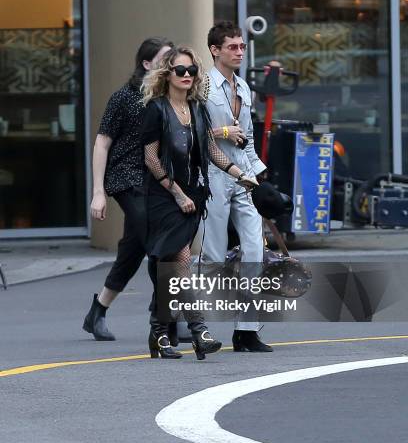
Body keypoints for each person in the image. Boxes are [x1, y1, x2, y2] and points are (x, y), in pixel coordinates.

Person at [141, 45, 255, 360]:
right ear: (167, 74)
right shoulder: (156, 109)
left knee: (170, 269)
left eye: (192, 71)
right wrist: (175, 191)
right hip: (165, 198)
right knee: (181, 263)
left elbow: (210, 151)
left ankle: (158, 334)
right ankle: (199, 332)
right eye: (181, 70)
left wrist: (237, 172)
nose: (187, 75)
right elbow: (150, 157)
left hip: (193, 196)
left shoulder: (197, 108)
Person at [83, 37, 174, 341]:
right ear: (147, 64)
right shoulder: (124, 97)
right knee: (158, 242)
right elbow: (102, 142)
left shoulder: (168, 97)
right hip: (127, 178)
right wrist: (98, 191)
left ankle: (97, 310)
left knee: (134, 249)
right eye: (165, 59)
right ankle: (166, 318)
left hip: (156, 180)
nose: (172, 64)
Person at [202, 20, 278, 352]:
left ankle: (246, 330)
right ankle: (194, 323)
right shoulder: (202, 86)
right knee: (213, 255)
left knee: (254, 250)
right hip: (213, 175)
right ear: (215, 50)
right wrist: (222, 133)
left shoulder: (244, 88)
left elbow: (245, 138)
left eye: (242, 46)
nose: (239, 52)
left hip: (242, 177)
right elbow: (194, 135)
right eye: (232, 46)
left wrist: (258, 174)